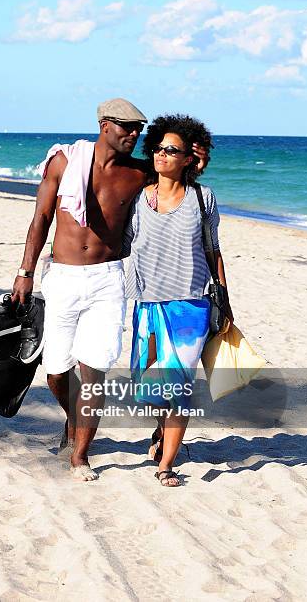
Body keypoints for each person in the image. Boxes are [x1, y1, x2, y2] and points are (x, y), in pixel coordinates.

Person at [12, 100, 209, 482]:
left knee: (93, 372)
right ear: (104, 124)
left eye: (139, 129)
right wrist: (25, 271)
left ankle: (80, 455)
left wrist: (197, 164)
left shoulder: (138, 174)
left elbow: (176, 182)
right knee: (56, 370)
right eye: (126, 127)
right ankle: (75, 419)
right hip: (64, 277)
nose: (134, 135)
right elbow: (41, 217)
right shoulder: (65, 162)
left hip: (108, 280)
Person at [123, 114, 233, 487]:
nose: (161, 154)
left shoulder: (203, 198)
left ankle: (166, 464)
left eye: (172, 150)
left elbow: (214, 250)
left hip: (190, 307)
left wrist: (226, 302)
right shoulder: (138, 195)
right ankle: (160, 432)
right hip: (146, 304)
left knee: (178, 389)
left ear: (189, 157)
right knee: (150, 388)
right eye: (158, 147)